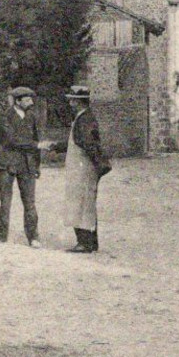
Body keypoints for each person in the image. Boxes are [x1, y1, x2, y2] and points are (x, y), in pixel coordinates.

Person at [0, 86, 51, 247]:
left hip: (27, 164)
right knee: (5, 201)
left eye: (31, 99)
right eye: (27, 100)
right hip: (7, 163)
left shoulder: (32, 116)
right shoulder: (5, 117)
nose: (31, 102)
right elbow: (12, 140)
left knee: (30, 202)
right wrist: (38, 145)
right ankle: (1, 235)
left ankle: (33, 237)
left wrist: (36, 166)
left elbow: (35, 139)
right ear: (18, 101)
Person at [62, 86, 111, 253]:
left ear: (78, 101)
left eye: (72, 100)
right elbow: (78, 141)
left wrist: (98, 165)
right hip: (82, 167)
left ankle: (84, 242)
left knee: (80, 204)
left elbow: (89, 144)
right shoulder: (84, 117)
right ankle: (91, 241)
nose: (70, 103)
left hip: (83, 168)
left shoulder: (84, 119)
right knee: (85, 203)